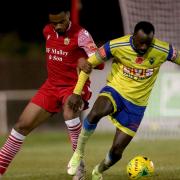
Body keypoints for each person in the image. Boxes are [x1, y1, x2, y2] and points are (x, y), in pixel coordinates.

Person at [0, 2, 104, 179]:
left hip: (73, 86)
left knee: (69, 112)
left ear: (68, 15)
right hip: (51, 86)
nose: (57, 26)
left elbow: (99, 62)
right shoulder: (47, 31)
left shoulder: (82, 34)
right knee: (21, 125)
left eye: (61, 22)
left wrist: (83, 60)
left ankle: (79, 165)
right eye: (54, 22)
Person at [66, 21, 180, 179]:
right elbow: (89, 64)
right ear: (133, 37)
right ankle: (78, 154)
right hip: (115, 91)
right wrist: (77, 92)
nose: (143, 48)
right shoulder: (116, 45)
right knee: (96, 113)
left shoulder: (162, 49)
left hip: (137, 106)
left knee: (117, 151)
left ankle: (98, 171)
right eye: (140, 43)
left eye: (148, 44)